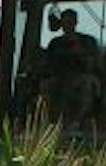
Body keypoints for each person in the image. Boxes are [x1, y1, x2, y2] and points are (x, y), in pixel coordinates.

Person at [39, 9, 102, 139]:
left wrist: (79, 52)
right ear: (61, 23)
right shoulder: (55, 44)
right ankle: (52, 123)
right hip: (59, 79)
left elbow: (93, 64)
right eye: (65, 22)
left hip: (82, 77)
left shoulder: (87, 41)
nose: (68, 25)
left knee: (87, 84)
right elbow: (47, 65)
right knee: (46, 85)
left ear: (76, 22)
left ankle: (76, 123)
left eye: (70, 21)